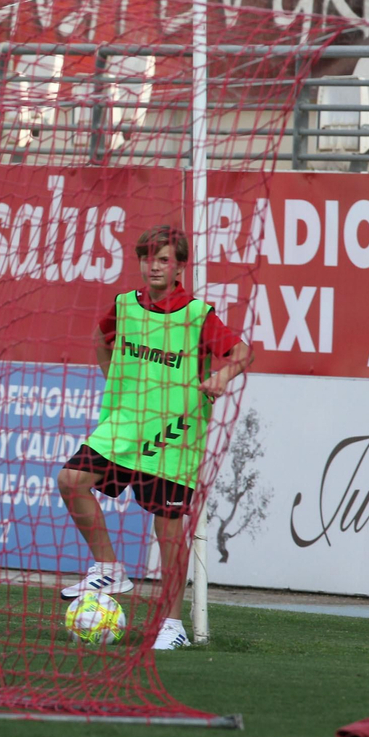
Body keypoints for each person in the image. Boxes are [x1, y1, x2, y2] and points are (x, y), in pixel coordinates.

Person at [56, 225, 251, 650]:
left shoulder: (197, 314)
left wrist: (222, 375)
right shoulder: (125, 305)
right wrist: (119, 389)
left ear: (180, 265)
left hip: (174, 435)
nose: (154, 266)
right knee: (71, 481)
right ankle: (109, 566)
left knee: (168, 533)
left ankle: (172, 624)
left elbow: (241, 351)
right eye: (148, 258)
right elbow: (99, 340)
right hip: (124, 425)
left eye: (164, 259)